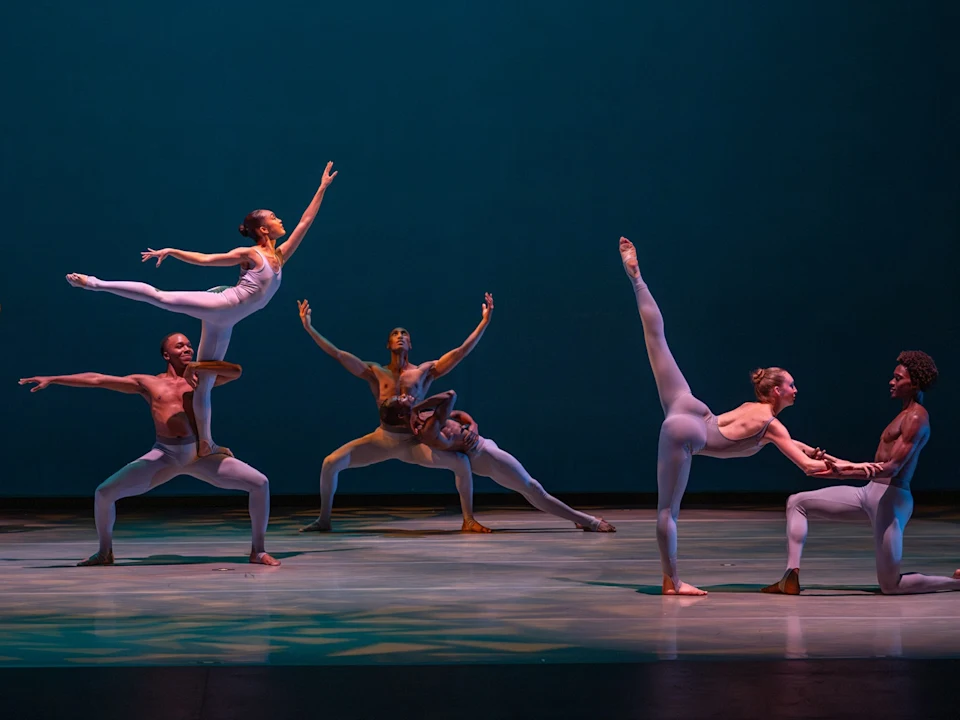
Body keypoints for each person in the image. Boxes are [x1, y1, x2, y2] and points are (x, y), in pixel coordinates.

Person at [618, 236, 880, 595]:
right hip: (687, 430)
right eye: (791, 385)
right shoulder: (772, 425)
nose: (796, 390)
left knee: (657, 340)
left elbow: (799, 448)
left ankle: (636, 278)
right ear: (776, 391)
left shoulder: (759, 414)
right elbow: (807, 467)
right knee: (668, 511)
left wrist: (833, 457)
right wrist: (860, 470)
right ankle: (673, 582)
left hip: (690, 407)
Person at [65, 162, 337, 457]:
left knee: (204, 382)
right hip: (223, 303)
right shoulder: (250, 254)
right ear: (262, 229)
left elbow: (304, 222)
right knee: (161, 297)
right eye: (274, 217)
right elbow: (207, 260)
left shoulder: (280, 256)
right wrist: (172, 251)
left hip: (228, 320)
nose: (280, 219)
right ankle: (94, 283)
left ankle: (206, 443)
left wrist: (321, 187)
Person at [18, 332, 280, 567]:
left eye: (190, 345)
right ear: (167, 354)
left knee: (260, 483)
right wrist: (54, 378)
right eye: (180, 346)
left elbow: (236, 372)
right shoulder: (149, 383)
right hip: (164, 456)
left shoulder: (202, 379)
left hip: (200, 456)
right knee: (104, 493)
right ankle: (104, 552)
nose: (187, 349)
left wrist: (199, 366)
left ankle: (258, 551)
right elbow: (97, 379)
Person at [762, 351, 960, 595]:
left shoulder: (917, 417)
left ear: (915, 384)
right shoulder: (902, 414)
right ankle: (790, 576)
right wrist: (832, 462)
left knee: (890, 585)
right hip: (870, 493)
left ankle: (956, 583)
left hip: (891, 501)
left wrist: (846, 471)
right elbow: (875, 467)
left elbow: (892, 467)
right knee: (797, 502)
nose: (891, 382)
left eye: (898, 379)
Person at [296, 295, 495, 533]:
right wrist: (309, 327)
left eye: (405, 334)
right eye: (395, 334)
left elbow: (461, 352)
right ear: (388, 345)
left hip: (414, 441)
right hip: (384, 439)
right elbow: (338, 354)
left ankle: (468, 520)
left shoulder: (424, 371)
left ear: (410, 345)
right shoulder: (375, 372)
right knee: (330, 463)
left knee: (461, 463)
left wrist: (484, 322)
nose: (400, 336)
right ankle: (324, 520)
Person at [409, 390, 616, 532]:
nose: (405, 395)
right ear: (403, 414)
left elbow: (458, 414)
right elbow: (450, 395)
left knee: (530, 491)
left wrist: (472, 424)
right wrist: (417, 406)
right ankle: (589, 521)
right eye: (402, 400)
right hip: (482, 455)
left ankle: (578, 519)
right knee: (533, 488)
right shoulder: (427, 430)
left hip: (484, 447)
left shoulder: (428, 416)